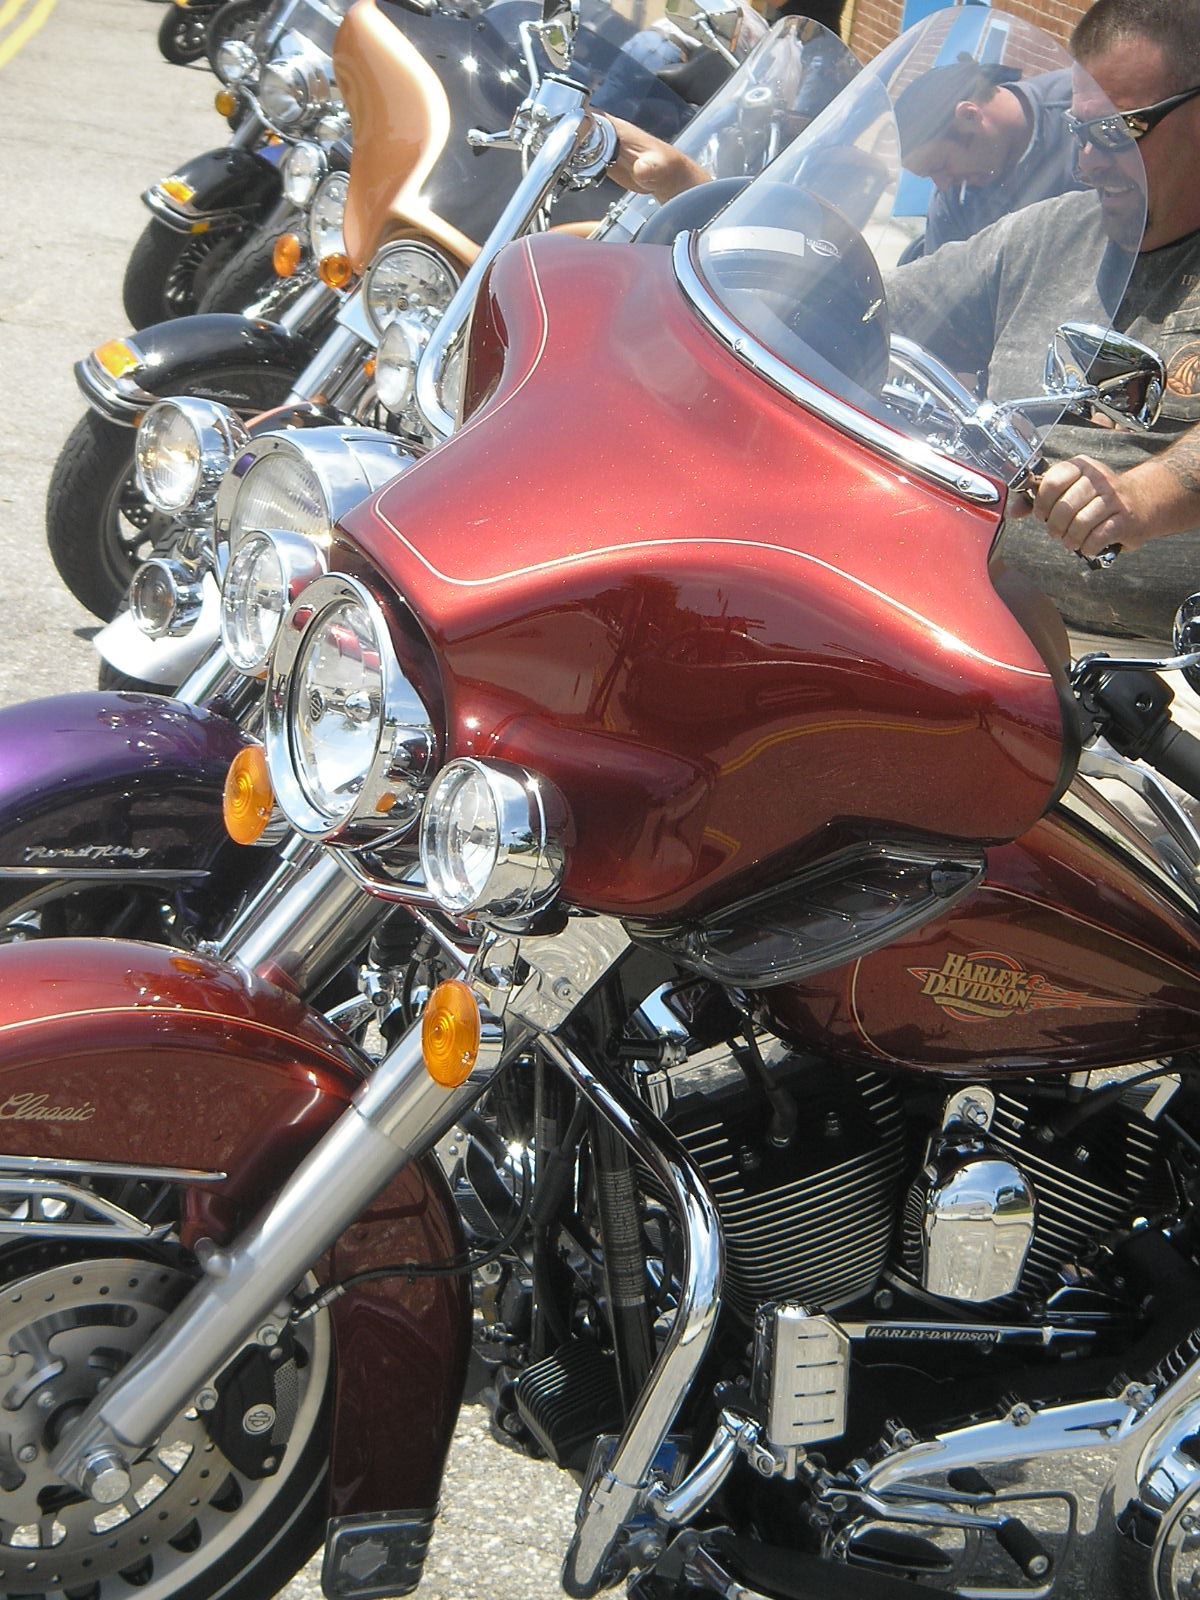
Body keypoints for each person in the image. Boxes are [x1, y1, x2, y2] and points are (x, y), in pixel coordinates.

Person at [608, 0, 1200, 644]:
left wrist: (1143, 497)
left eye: (1117, 133)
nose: (1087, 162)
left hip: (1159, 672)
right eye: (1079, 131)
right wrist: (705, 202)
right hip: (976, 615)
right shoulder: (1050, 235)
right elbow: (857, 307)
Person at [894, 54, 1082, 255]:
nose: (943, 184)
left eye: (941, 165)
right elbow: (937, 282)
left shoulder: (1084, 110)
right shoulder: (953, 201)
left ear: (969, 116)